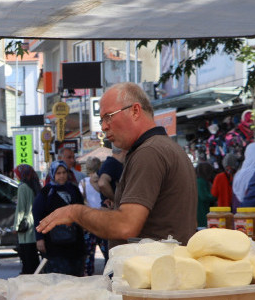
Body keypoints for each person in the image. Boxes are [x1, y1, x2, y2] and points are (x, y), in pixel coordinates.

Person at [37, 82, 197, 250]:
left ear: (135, 111)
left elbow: (125, 226)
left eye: (109, 116)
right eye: (101, 120)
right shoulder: (164, 147)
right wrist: (98, 215)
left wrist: (75, 212)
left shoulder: (148, 152)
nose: (104, 126)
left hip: (154, 271)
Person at [33, 161, 86, 276]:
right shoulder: (46, 192)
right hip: (54, 244)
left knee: (75, 277)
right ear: (53, 174)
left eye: (64, 172)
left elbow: (81, 210)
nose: (62, 176)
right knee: (57, 278)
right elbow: (37, 215)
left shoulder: (73, 189)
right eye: (58, 173)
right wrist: (39, 238)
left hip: (75, 243)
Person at [80, 157, 108, 275]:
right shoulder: (104, 181)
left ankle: (89, 280)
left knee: (88, 257)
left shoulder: (84, 182)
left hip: (89, 224)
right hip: (103, 222)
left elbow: (80, 201)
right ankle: (110, 277)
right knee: (107, 254)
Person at [13, 164, 41, 274]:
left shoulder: (23, 187)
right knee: (33, 259)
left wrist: (15, 226)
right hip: (34, 224)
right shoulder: (35, 185)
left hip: (25, 227)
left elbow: (20, 209)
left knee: (27, 259)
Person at [196, 162, 216, 228]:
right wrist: (215, 197)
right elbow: (204, 196)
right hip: (202, 211)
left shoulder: (199, 181)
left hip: (200, 210)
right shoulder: (201, 182)